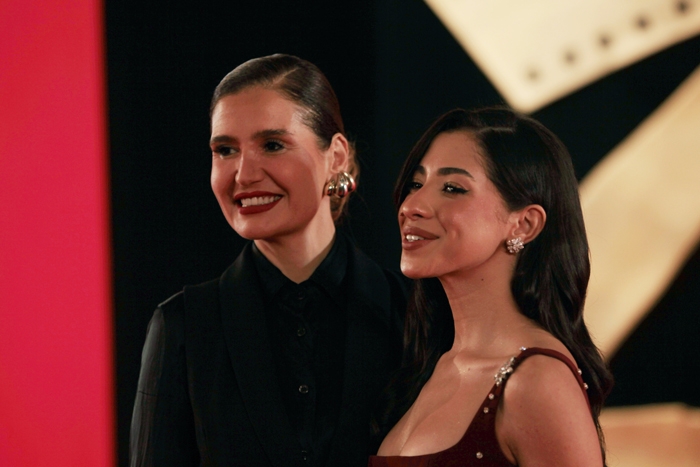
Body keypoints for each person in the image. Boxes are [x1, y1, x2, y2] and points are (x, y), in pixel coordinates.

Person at [129, 54, 408, 467]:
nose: (243, 174)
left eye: (272, 145)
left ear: (335, 156)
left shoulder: (413, 312)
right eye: (225, 150)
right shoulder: (183, 328)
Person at [369, 108, 613, 466]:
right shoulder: (430, 363)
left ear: (524, 225)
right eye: (416, 184)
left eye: (452, 188)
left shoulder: (537, 380)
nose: (412, 206)